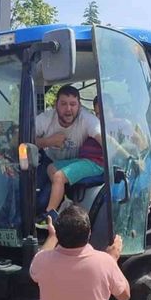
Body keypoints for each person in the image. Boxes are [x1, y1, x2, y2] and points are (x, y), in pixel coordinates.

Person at [35, 86, 102, 217]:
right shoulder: (46, 118)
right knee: (30, 197)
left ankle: (51, 217)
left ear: (80, 106)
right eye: (63, 104)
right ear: (56, 105)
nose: (68, 109)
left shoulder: (88, 120)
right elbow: (20, 140)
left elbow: (103, 140)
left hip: (75, 162)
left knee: (44, 199)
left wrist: (116, 159)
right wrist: (48, 141)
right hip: (49, 160)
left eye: (73, 104)